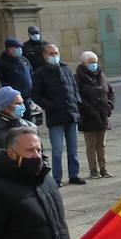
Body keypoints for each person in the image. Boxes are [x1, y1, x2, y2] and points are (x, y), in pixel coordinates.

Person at [30, 43, 84, 186]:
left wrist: (76, 103)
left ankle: (74, 175)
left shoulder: (65, 69)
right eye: (51, 54)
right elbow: (36, 94)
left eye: (56, 53)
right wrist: (50, 106)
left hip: (71, 113)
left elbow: (74, 88)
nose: (54, 56)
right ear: (44, 55)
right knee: (57, 150)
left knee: (73, 148)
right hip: (55, 116)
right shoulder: (40, 73)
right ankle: (57, 178)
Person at [74, 51, 115, 179]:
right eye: (91, 63)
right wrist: (88, 108)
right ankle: (93, 170)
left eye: (95, 62)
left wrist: (109, 105)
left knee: (101, 144)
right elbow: (77, 95)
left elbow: (110, 91)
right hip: (88, 116)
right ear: (84, 63)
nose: (94, 65)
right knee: (91, 145)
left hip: (102, 115)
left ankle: (103, 168)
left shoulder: (101, 75)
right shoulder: (78, 77)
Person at [0, 38, 33, 102]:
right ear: (9, 49)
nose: (20, 49)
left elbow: (31, 73)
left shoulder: (24, 60)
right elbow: (0, 80)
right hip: (14, 98)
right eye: (16, 47)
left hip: (28, 97)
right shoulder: (1, 63)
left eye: (20, 47)